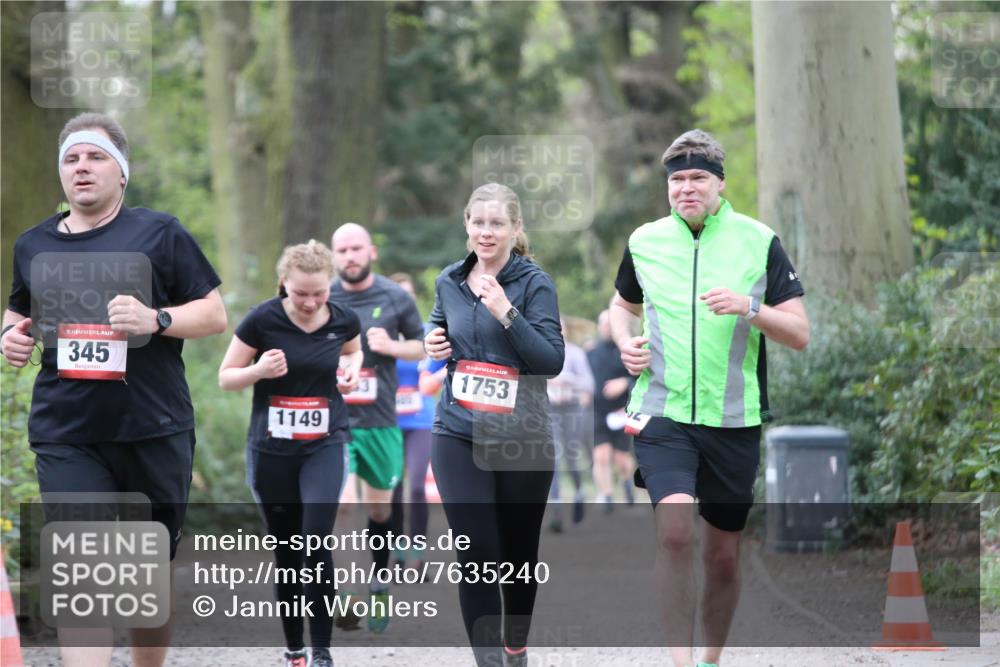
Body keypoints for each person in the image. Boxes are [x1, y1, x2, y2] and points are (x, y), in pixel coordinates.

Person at [0, 112, 227, 667]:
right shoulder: (34, 245)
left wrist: (158, 320)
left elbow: (214, 314)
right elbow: (18, 311)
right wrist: (9, 336)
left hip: (154, 427)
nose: (82, 168)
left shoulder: (160, 233)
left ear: (121, 172)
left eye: (95, 157)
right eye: (71, 159)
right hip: (67, 431)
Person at [611, 129, 810, 667]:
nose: (686, 188)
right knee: (674, 535)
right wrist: (624, 342)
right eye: (677, 180)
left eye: (698, 177)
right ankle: (680, 662)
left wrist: (750, 307)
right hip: (662, 412)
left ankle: (710, 658)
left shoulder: (758, 240)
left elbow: (798, 333)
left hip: (733, 419)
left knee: (722, 555)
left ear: (720, 184)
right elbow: (620, 306)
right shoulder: (644, 241)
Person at [424, 182, 564, 667]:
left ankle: (515, 647)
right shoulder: (449, 280)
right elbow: (438, 323)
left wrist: (506, 311)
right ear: (466, 225)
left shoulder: (534, 283)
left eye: (496, 223)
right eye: (478, 222)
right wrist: (432, 343)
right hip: (457, 430)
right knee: (476, 552)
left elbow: (550, 361)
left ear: (515, 229)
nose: (486, 232)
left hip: (522, 438)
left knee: (518, 558)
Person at [219, 240, 362, 667]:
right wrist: (259, 370)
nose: (310, 302)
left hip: (325, 443)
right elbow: (227, 377)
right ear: (284, 284)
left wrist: (352, 371)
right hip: (271, 451)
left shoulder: (343, 320)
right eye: (301, 293)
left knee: (316, 542)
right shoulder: (262, 320)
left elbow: (353, 352)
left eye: (319, 293)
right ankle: (294, 649)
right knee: (287, 550)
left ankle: (321, 652)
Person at [329, 223, 425, 633]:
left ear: (371, 252)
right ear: (334, 256)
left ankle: (380, 581)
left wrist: (392, 347)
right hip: (335, 421)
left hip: (382, 421)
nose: (349, 256)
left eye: (356, 248)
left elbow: (423, 346)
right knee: (344, 504)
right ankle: (346, 592)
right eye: (342, 250)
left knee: (380, 509)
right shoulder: (324, 295)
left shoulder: (395, 296)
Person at [387, 273, 447, 572]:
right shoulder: (380, 336)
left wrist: (437, 378)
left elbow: (443, 368)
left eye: (408, 294)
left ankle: (418, 555)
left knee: (416, 489)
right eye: (398, 294)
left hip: (422, 419)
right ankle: (398, 552)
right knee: (394, 486)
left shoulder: (428, 332)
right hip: (389, 421)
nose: (403, 300)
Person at [546, 317, 594, 532]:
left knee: (572, 458)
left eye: (561, 327)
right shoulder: (541, 353)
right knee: (553, 459)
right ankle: (556, 511)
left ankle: (578, 494)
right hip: (550, 410)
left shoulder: (575, 353)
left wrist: (565, 379)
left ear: (565, 331)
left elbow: (589, 384)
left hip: (572, 409)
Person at [587, 309, 636, 511]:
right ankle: (606, 496)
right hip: (597, 411)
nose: (606, 327)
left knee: (621, 458)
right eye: (603, 324)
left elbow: (640, 379)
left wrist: (625, 382)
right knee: (601, 455)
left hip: (621, 411)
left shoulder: (626, 351)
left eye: (610, 324)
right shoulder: (590, 352)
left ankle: (627, 483)